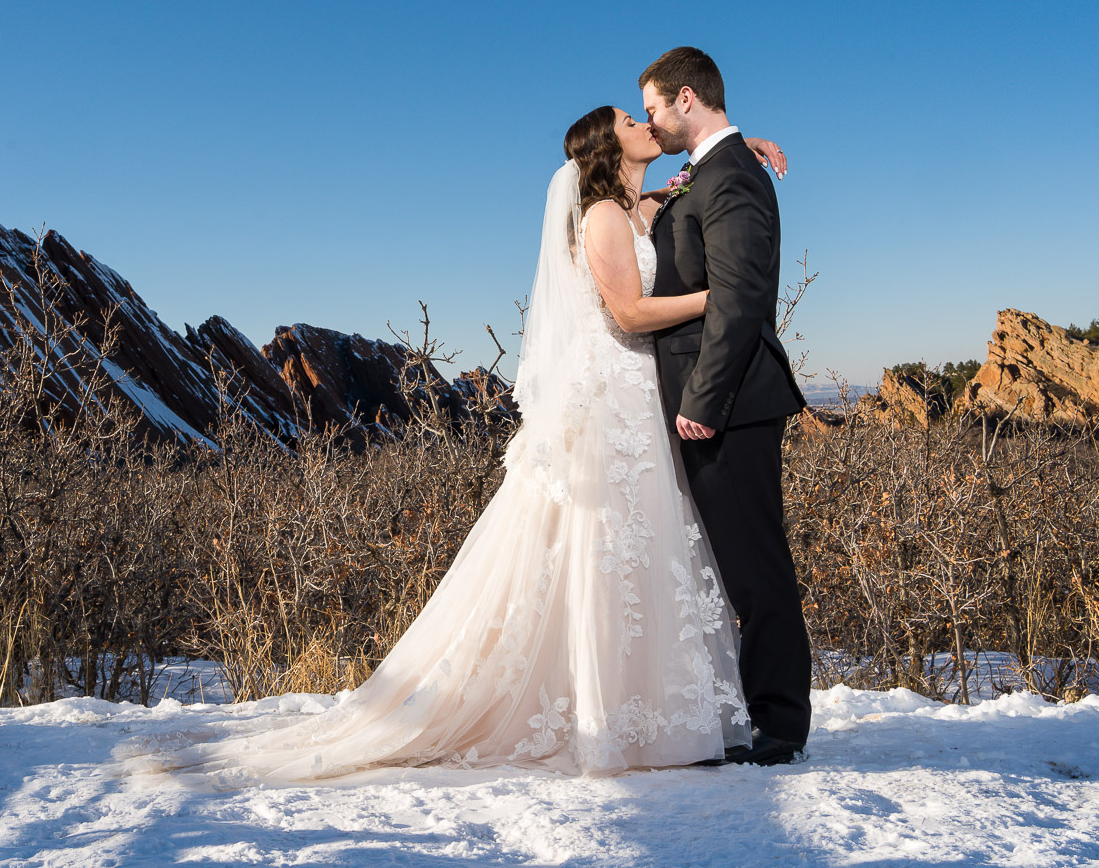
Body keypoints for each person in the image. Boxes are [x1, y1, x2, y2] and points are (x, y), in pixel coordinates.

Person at [115, 107, 789, 785]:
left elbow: (682, 186)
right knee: (606, 545)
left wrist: (732, 149)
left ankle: (639, 707)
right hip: (614, 395)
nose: (641, 120)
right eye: (626, 118)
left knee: (631, 548)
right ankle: (614, 713)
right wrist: (716, 298)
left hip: (635, 393)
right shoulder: (606, 218)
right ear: (608, 146)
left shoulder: (634, 203)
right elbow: (628, 313)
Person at [640, 46, 811, 766]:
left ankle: (779, 726)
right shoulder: (714, 168)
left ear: (685, 98)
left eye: (652, 108)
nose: (650, 124)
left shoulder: (731, 175)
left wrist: (703, 401)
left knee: (754, 565)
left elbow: (741, 298)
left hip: (728, 403)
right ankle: (753, 711)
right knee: (727, 564)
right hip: (706, 398)